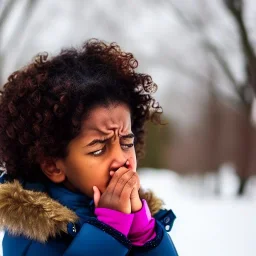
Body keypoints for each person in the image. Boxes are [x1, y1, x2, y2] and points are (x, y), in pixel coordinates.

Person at [0, 39, 178, 255]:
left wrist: (145, 235)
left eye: (126, 142)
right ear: (53, 166)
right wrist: (109, 230)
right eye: (98, 149)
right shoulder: (30, 235)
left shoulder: (140, 215)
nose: (121, 159)